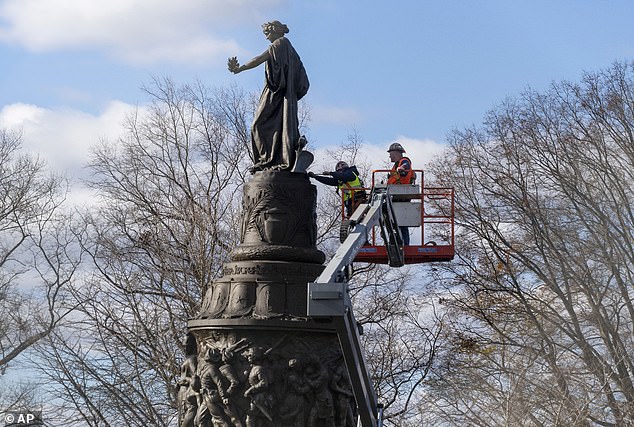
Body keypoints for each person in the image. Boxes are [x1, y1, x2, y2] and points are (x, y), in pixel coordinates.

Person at [228, 21, 309, 172]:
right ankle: (270, 160)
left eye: (267, 33)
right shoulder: (285, 46)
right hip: (277, 92)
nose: (266, 38)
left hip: (278, 93)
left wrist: (240, 69)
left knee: (257, 125)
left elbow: (259, 59)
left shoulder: (280, 43)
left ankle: (267, 160)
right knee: (271, 126)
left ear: (276, 31)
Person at [387, 143, 414, 245]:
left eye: (390, 153)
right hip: (395, 195)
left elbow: (406, 166)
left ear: (396, 153)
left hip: (401, 195)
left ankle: (404, 245)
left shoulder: (404, 161)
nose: (389, 156)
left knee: (401, 222)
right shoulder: (396, 165)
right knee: (394, 222)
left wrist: (401, 168)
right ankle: (394, 243)